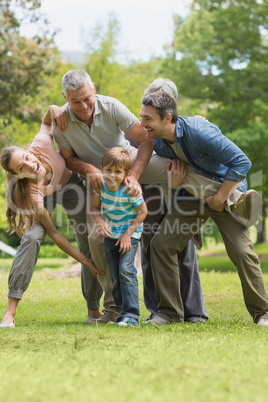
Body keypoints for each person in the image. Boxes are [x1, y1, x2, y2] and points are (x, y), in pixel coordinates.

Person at [50, 69, 208, 323]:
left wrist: (134, 176)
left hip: (136, 169)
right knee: (103, 240)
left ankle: (233, 196)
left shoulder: (113, 107)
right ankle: (116, 307)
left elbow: (151, 143)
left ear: (93, 87)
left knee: (178, 178)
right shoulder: (63, 122)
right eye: (75, 101)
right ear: (64, 97)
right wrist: (90, 169)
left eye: (87, 98)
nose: (83, 106)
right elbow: (68, 159)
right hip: (101, 179)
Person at [139, 91, 268, 326]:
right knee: (161, 244)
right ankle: (170, 313)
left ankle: (263, 313)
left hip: (225, 193)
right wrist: (174, 185)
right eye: (142, 117)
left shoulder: (199, 131)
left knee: (241, 252)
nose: (142, 124)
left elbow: (242, 162)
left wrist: (220, 197)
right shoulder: (157, 139)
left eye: (148, 119)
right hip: (192, 197)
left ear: (167, 119)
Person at [0, 112, 104, 329]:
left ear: (29, 152)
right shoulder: (31, 194)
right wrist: (85, 263)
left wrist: (55, 107)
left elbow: (47, 120)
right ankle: (10, 312)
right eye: (21, 168)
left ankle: (94, 308)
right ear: (18, 176)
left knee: (89, 237)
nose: (30, 165)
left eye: (27, 157)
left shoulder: (41, 143)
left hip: (72, 185)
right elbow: (54, 233)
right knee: (32, 237)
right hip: (45, 197)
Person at [137, 78, 208, 323]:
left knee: (184, 250)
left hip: (180, 193)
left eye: (163, 97)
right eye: (153, 95)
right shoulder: (141, 128)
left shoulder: (185, 128)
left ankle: (194, 312)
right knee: (148, 249)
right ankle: (158, 310)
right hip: (151, 196)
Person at [91, 147, 147, 326]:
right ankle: (121, 313)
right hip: (110, 235)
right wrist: (99, 221)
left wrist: (127, 235)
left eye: (118, 171)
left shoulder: (129, 190)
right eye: (108, 170)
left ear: (126, 173)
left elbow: (143, 212)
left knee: (126, 270)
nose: (112, 175)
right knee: (115, 274)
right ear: (101, 168)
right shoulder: (101, 187)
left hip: (129, 235)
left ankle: (132, 315)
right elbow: (94, 209)